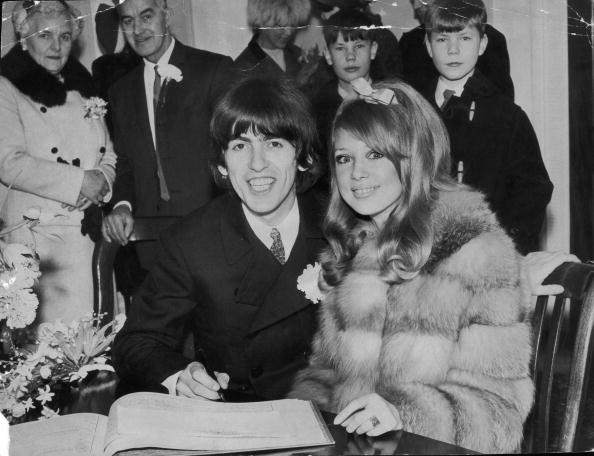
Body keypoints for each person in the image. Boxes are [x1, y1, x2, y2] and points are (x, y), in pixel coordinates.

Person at [288, 80, 534, 453]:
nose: (356, 173)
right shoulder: (355, 252)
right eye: (344, 157)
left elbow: (500, 412)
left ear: (414, 157)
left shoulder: (476, 252)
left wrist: (402, 413)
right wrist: (291, 419)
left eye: (375, 155)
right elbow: (327, 375)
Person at [112, 77, 326, 401]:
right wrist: (182, 375)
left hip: (334, 409)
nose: (257, 164)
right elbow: (136, 343)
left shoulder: (339, 226)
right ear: (223, 164)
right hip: (244, 415)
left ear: (302, 157)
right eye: (240, 146)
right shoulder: (191, 243)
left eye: (274, 144)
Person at [0, 0, 116, 323]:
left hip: (88, 239)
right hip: (41, 244)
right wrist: (80, 182)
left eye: (65, 37)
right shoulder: (5, 87)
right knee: (49, 358)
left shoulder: (81, 84)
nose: (56, 46)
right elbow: (9, 162)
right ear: (24, 37)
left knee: (94, 351)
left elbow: (109, 150)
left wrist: (103, 181)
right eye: (45, 36)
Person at [101, 0, 234, 272]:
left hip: (213, 235)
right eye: (128, 21)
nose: (138, 30)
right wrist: (123, 205)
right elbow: (125, 163)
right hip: (152, 246)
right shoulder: (121, 91)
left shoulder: (214, 70)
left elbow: (233, 151)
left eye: (146, 16)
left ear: (167, 16)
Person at [422, 0, 553, 254]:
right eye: (441, 40)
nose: (453, 50)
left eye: (465, 38)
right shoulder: (412, 109)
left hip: (486, 255)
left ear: (482, 44)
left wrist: (503, 247)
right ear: (428, 46)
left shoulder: (508, 117)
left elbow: (533, 191)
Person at [400, 0, 514, 100]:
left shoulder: (492, 38)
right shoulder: (409, 41)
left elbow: (502, 99)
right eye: (412, 0)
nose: (416, 6)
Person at [312, 8, 379, 160]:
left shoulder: (390, 97)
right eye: (340, 48)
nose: (350, 57)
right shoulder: (316, 110)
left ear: (373, 50)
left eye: (359, 46)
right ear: (328, 55)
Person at [233, 0, 318, 93]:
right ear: (261, 22)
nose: (288, 32)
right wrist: (297, 85)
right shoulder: (243, 67)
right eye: (280, 25)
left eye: (293, 24)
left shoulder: (298, 53)